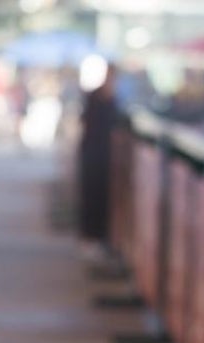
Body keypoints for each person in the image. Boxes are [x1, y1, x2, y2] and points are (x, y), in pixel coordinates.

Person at [78, 64, 118, 254]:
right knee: (92, 197)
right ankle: (89, 238)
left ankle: (96, 238)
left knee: (100, 198)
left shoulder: (110, 98)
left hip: (102, 156)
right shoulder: (96, 97)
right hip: (93, 155)